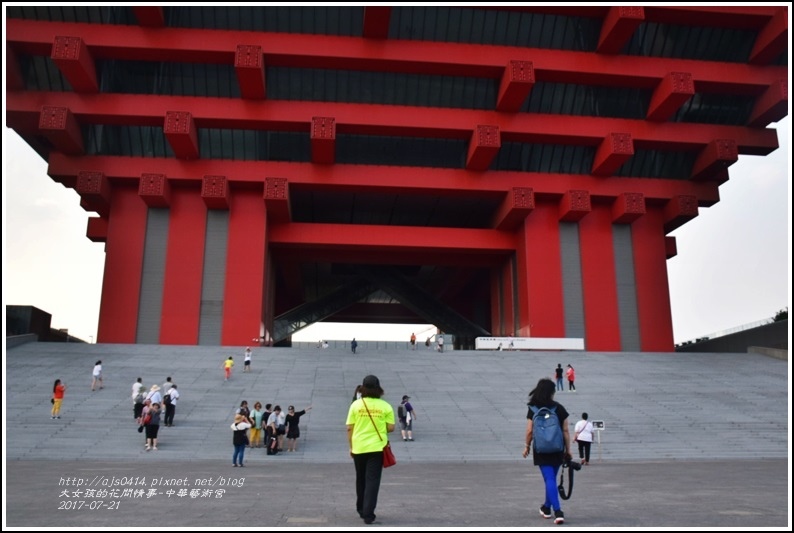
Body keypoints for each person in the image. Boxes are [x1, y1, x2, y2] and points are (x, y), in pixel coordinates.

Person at [346, 374, 396, 525]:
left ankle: (361, 508)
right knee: (372, 480)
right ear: (378, 388)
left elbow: (349, 428)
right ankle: (368, 514)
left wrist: (351, 447)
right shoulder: (385, 406)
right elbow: (391, 427)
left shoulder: (355, 405)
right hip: (376, 447)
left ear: (363, 388)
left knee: (360, 478)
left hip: (359, 447)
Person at [522, 378, 572, 525]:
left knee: (549, 479)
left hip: (541, 449)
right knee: (551, 479)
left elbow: (529, 430)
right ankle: (546, 507)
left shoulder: (532, 408)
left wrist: (527, 446)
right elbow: (566, 430)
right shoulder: (559, 408)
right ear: (551, 392)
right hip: (557, 448)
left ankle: (558, 511)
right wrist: (568, 450)